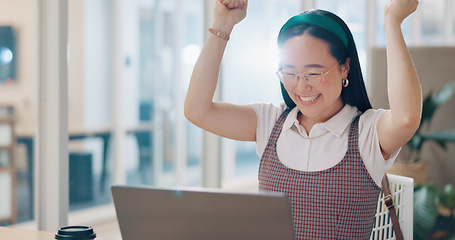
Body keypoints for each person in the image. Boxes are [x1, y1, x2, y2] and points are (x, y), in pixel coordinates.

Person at [184, 0, 421, 239]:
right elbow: (197, 110)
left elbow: (406, 119)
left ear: (345, 68)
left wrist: (393, 21)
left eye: (313, 73)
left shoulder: (367, 132)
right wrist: (222, 25)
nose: (301, 86)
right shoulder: (270, 122)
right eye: (289, 73)